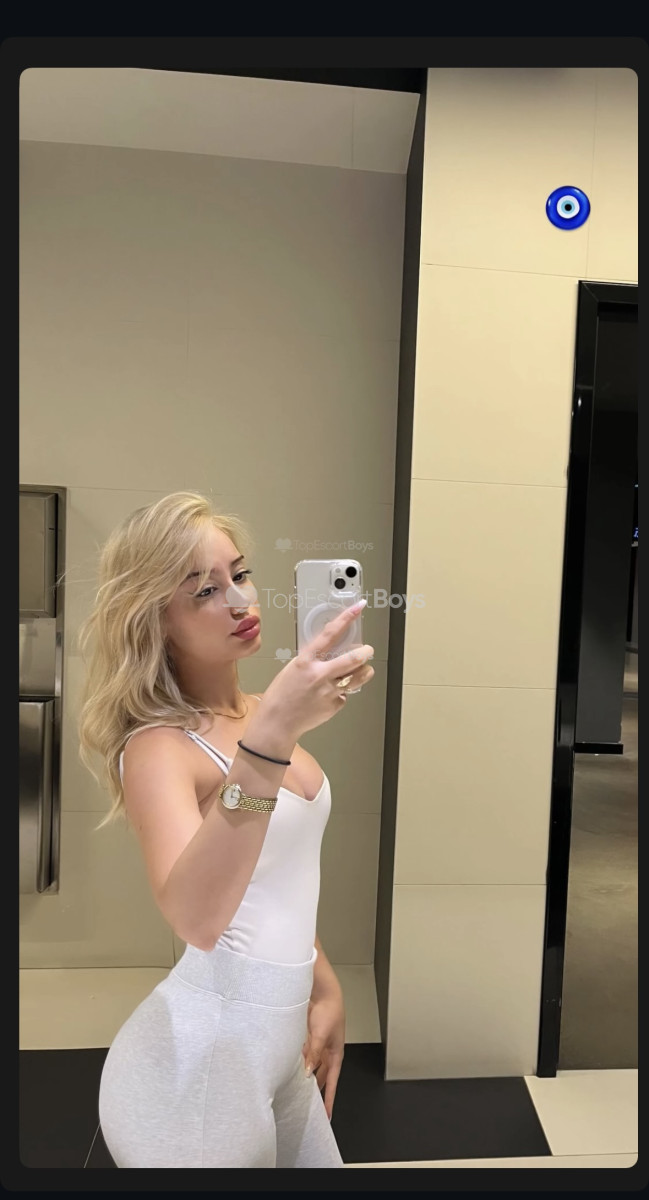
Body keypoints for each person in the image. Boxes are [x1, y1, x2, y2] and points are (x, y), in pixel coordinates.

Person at [77, 491, 375, 1169]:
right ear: (156, 620)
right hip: (196, 1070)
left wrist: (325, 984)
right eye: (206, 591)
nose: (241, 602)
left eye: (239, 574)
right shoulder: (158, 746)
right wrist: (271, 740)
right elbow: (196, 918)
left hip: (276, 1046)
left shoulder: (262, 713)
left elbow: (269, 881)